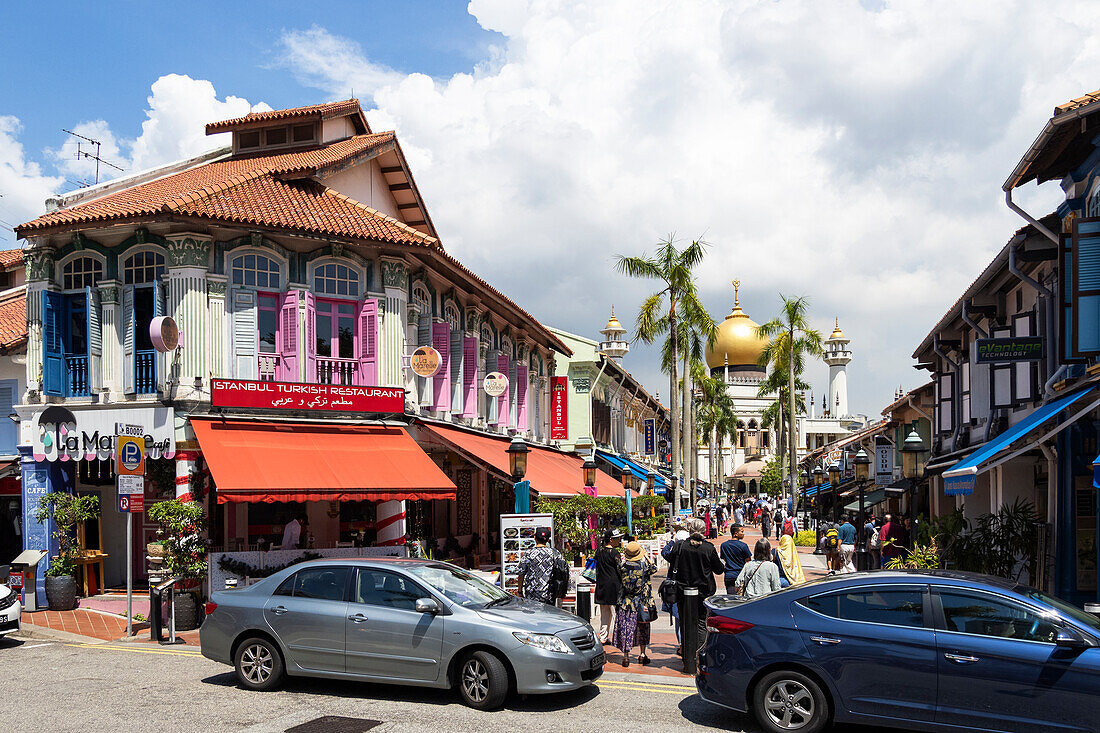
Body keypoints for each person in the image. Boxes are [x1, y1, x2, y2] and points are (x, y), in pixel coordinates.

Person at [668, 517, 724, 662]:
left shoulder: (680, 546)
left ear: (690, 530)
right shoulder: (708, 548)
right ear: (704, 530)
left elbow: (671, 561)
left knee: (685, 622)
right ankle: (699, 655)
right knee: (701, 624)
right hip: (703, 592)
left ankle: (687, 654)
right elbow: (719, 570)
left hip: (682, 591)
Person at [612, 541, 655, 667]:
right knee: (642, 628)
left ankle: (625, 657)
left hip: (625, 602)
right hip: (640, 603)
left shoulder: (622, 566)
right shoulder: (643, 567)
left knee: (626, 629)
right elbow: (654, 568)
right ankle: (642, 655)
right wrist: (647, 557)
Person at [516, 527, 569, 604]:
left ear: (535, 538)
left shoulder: (528, 553)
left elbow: (521, 573)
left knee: (533, 615)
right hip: (549, 593)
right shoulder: (555, 553)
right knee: (548, 615)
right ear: (548, 540)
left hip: (532, 594)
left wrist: (520, 591)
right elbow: (563, 570)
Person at [594, 528, 623, 643]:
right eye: (617, 538)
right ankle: (619, 637)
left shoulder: (599, 551)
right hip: (614, 586)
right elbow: (620, 568)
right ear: (611, 540)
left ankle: (603, 637)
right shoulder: (615, 553)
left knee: (604, 614)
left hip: (602, 585)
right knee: (617, 612)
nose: (619, 540)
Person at [719, 524, 752, 594]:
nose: (743, 534)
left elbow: (724, 558)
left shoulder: (723, 545)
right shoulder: (743, 546)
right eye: (742, 532)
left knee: (731, 598)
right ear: (736, 533)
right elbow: (748, 561)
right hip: (740, 574)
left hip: (729, 575)